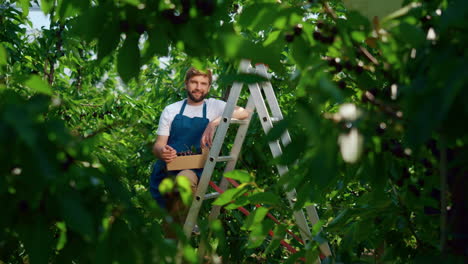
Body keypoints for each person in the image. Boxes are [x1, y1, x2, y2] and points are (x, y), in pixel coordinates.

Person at [149, 67, 249, 227]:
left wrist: (215, 122)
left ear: (209, 87)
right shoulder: (171, 110)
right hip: (167, 169)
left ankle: (184, 223)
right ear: (186, 84)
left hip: (193, 167)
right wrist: (163, 152)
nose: (198, 87)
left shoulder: (214, 106)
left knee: (184, 182)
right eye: (194, 82)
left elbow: (244, 112)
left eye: (203, 83)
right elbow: (158, 145)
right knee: (170, 218)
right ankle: (181, 232)